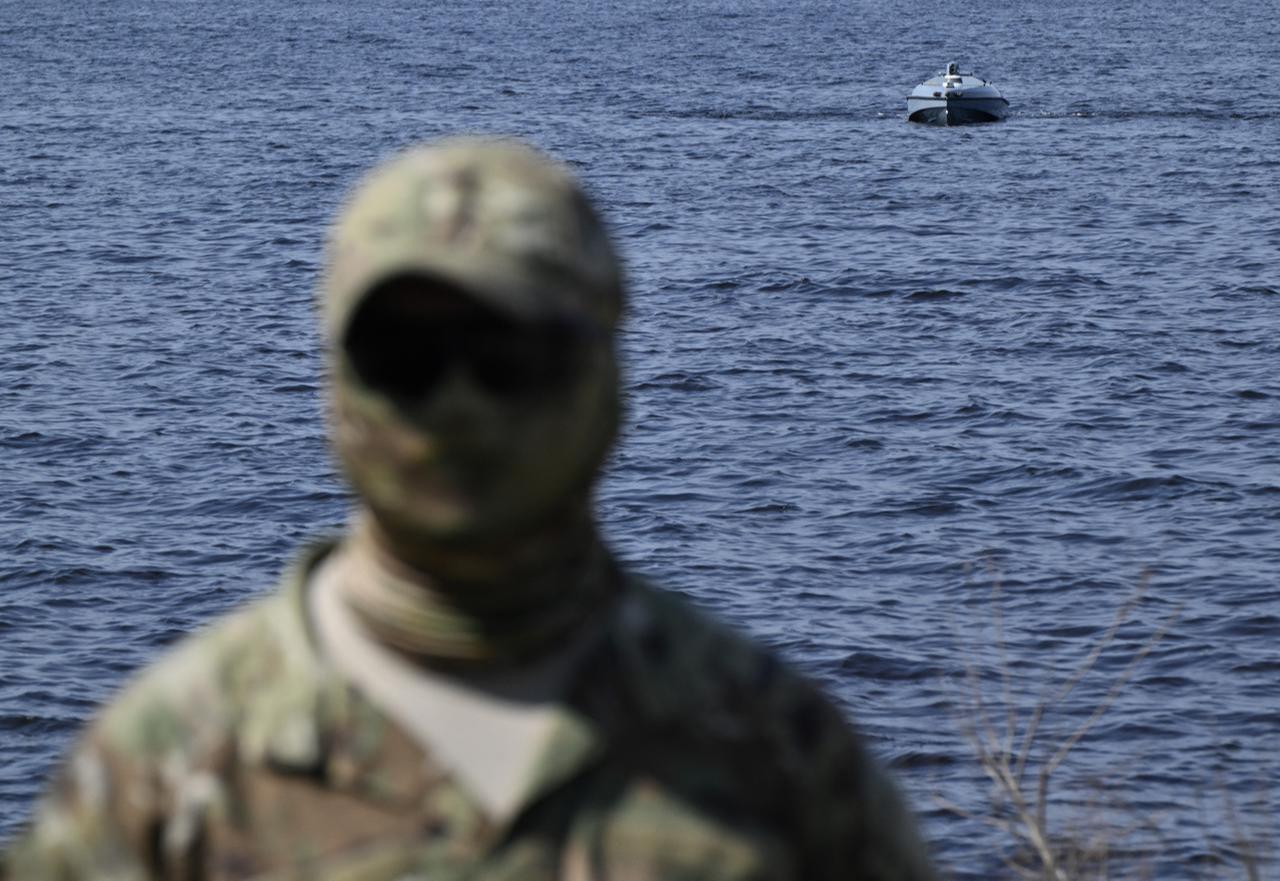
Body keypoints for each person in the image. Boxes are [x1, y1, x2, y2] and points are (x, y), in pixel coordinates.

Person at [3, 138, 936, 880]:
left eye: (512, 356)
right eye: (405, 359)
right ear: (334, 390)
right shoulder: (168, 769)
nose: (458, 408)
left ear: (606, 384)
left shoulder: (773, 756)